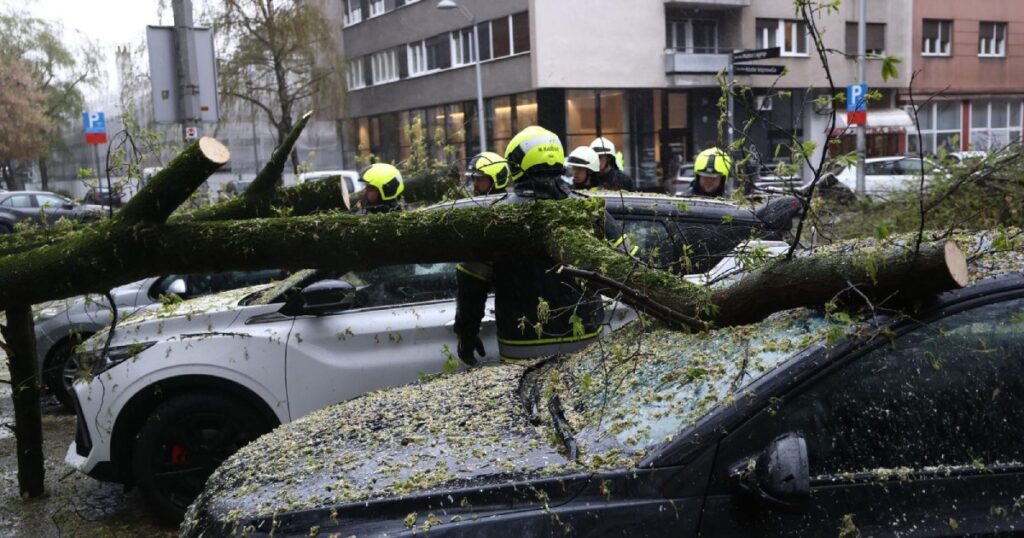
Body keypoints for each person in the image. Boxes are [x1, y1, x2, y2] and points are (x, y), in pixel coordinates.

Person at [454, 126, 630, 365]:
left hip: (520, 342)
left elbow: (471, 284)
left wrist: (466, 332)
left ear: (516, 166)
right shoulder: (589, 210)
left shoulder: (496, 218)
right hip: (584, 338)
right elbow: (629, 265)